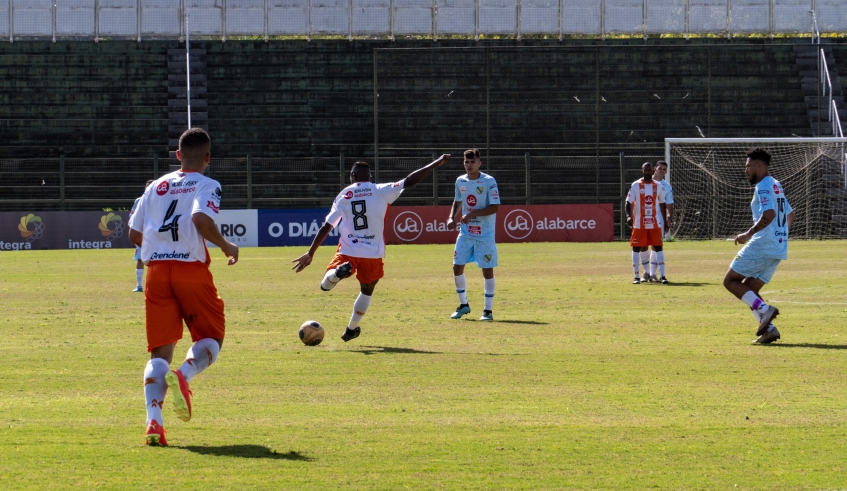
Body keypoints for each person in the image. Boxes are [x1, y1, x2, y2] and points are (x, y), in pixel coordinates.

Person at [128, 128, 239, 446]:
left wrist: (160, 246)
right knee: (211, 337)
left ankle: (154, 422)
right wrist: (226, 245)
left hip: (157, 272)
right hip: (190, 270)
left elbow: (134, 235)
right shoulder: (208, 184)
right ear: (207, 158)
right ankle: (185, 375)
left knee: (159, 351)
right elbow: (201, 220)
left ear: (177, 155)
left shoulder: (156, 186)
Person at [292, 154, 452, 341]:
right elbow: (409, 180)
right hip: (373, 253)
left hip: (348, 250)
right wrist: (436, 163)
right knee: (367, 290)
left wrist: (310, 253)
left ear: (352, 176)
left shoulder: (344, 194)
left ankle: (336, 275)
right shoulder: (380, 190)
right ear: (370, 176)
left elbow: (327, 226)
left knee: (325, 286)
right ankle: (351, 328)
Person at [723, 147, 794, 345]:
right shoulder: (776, 184)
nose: (746, 170)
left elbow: (769, 214)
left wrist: (748, 234)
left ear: (759, 165)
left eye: (748, 166)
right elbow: (790, 215)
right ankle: (769, 330)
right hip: (779, 246)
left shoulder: (763, 185)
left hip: (763, 243)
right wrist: (781, 234)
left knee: (730, 281)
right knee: (749, 289)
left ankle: (764, 310)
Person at [447, 149, 501, 321]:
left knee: (487, 270)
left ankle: (488, 311)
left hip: (485, 233)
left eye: (472, 162)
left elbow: (495, 207)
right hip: (466, 233)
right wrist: (451, 217)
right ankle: (464, 305)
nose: (469, 165)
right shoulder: (460, 181)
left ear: (479, 163)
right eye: (466, 162)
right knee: (457, 266)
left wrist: (472, 214)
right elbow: (458, 199)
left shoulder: (488, 181)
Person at [625, 162, 667, 284]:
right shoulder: (636, 185)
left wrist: (665, 220)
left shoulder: (658, 186)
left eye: (649, 170)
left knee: (658, 246)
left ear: (652, 171)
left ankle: (663, 276)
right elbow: (628, 202)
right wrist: (628, 216)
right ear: (642, 171)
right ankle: (637, 276)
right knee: (637, 247)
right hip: (639, 223)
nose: (648, 172)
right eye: (646, 170)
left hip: (654, 222)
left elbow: (662, 203)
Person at [646, 161, 674, 283]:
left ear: (666, 171)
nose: (662, 170)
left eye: (664, 169)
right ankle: (646, 272)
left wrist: (668, 220)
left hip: (659, 219)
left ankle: (652, 274)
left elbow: (669, 205)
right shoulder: (644, 182)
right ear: (655, 169)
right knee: (642, 246)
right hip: (644, 218)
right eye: (660, 168)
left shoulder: (666, 186)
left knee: (656, 245)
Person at [130, 180, 155, 292]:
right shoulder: (139, 201)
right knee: (140, 258)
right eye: (147, 187)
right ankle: (139, 285)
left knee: (157, 260)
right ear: (145, 188)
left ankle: (154, 285)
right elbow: (132, 217)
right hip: (142, 235)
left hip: (156, 235)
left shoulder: (161, 200)